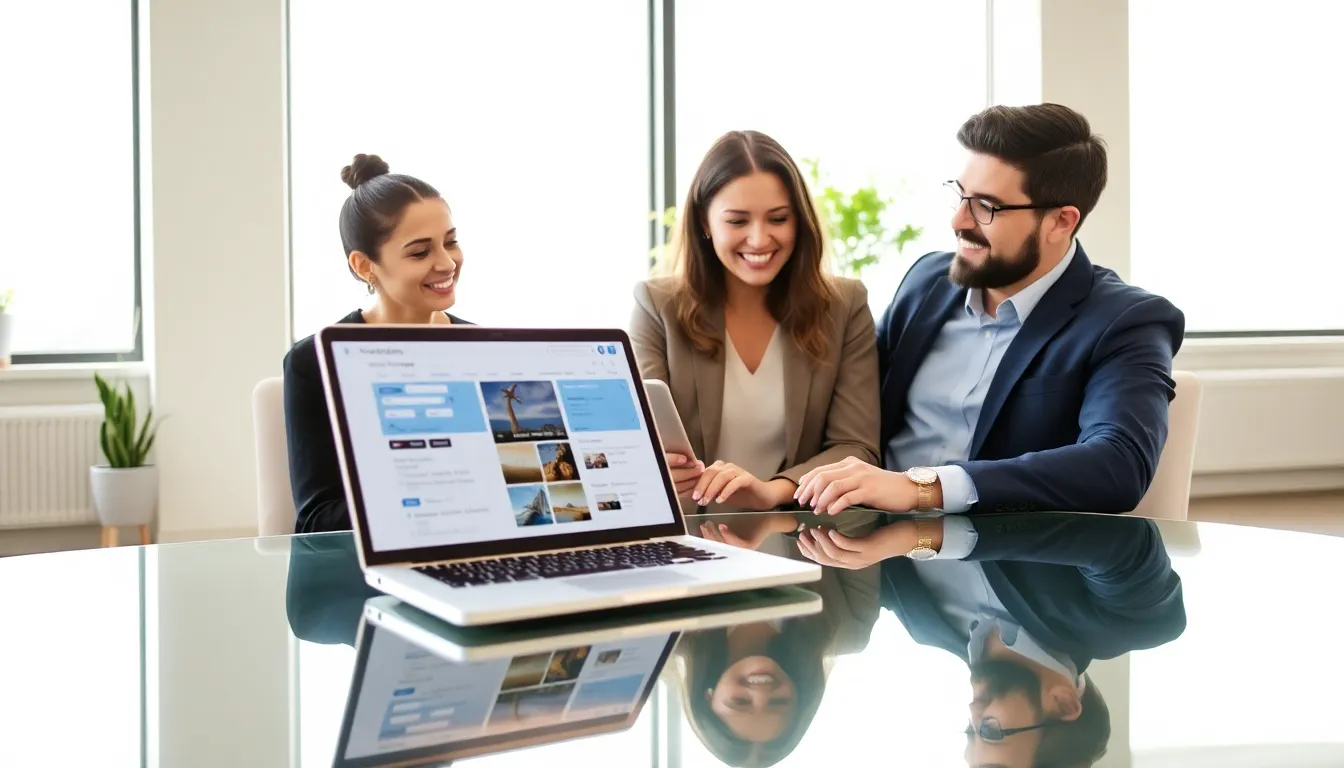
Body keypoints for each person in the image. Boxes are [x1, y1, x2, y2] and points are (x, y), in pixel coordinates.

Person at [793, 103, 1186, 534]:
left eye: (986, 206)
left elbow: (1118, 464)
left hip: (1009, 574)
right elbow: (849, 406)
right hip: (880, 560)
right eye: (960, 195)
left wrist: (920, 488)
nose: (958, 221)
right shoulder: (926, 282)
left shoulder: (1126, 320)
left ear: (1060, 221)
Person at [807, 511, 1186, 766]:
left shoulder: (923, 626)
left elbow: (850, 533)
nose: (972, 712)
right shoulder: (1131, 623)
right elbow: (1117, 539)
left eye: (970, 730)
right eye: (991, 729)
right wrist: (932, 535)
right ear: (1064, 703)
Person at [628, 130, 880, 513]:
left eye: (778, 218)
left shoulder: (844, 306)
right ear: (704, 222)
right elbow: (638, 441)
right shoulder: (656, 306)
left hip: (801, 538)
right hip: (692, 535)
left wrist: (771, 491)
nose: (760, 239)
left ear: (799, 221)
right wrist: (656, 468)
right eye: (738, 221)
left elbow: (856, 448)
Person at [283, 154, 471, 533]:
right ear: (364, 266)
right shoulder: (315, 362)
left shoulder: (483, 347)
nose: (447, 263)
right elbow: (317, 519)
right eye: (420, 251)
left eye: (450, 242)